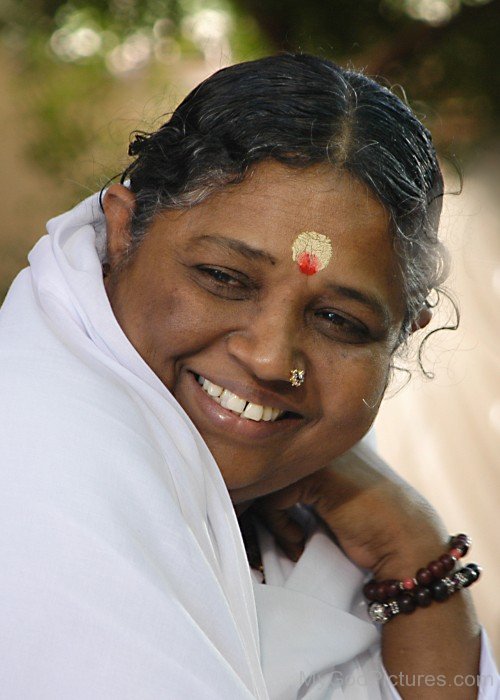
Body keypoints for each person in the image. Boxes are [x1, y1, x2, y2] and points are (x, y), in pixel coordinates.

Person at [0, 53, 497, 699]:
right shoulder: (35, 459)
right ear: (122, 232)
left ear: (404, 334)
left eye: (339, 321)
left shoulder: (335, 508)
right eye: (224, 279)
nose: (269, 359)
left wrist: (413, 550)